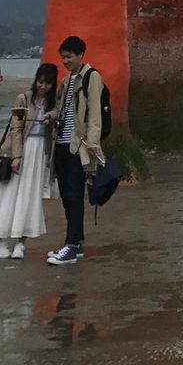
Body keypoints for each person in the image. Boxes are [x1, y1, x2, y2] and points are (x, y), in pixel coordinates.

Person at [0, 63, 57, 259]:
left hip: (40, 152)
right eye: (40, 82)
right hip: (22, 149)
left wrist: (51, 116)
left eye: (47, 83)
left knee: (30, 197)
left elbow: (57, 115)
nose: (43, 86)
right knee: (9, 195)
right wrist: (16, 156)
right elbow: (15, 129)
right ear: (36, 79)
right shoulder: (23, 98)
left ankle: (20, 243)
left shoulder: (53, 103)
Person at [48, 35, 105, 266]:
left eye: (69, 56)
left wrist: (93, 143)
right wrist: (50, 116)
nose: (65, 61)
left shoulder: (92, 77)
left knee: (74, 196)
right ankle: (76, 243)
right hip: (61, 144)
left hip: (78, 146)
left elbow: (95, 114)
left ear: (81, 55)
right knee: (67, 197)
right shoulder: (67, 79)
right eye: (63, 57)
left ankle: (71, 246)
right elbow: (62, 109)